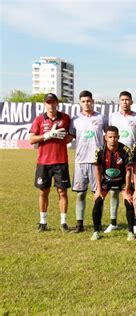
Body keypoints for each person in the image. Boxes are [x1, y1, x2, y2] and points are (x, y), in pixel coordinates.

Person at [29, 93, 72, 232]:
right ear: (44, 104)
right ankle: (43, 222)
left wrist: (66, 139)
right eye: (48, 102)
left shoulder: (65, 118)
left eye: (53, 102)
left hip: (61, 161)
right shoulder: (39, 119)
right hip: (43, 162)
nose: (51, 105)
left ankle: (63, 223)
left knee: (62, 192)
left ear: (57, 103)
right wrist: (46, 136)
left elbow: (71, 135)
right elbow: (31, 139)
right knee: (43, 192)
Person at [106, 91, 136, 233]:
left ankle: (135, 223)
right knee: (114, 192)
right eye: (122, 100)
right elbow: (108, 135)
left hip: (132, 158)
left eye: (127, 100)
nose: (125, 102)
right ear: (119, 101)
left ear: (131, 102)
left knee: (131, 189)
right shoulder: (112, 117)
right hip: (115, 159)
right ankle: (113, 222)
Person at [69, 90, 108, 233]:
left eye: (88, 101)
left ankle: (98, 223)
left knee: (99, 194)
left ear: (93, 101)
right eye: (83, 101)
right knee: (80, 194)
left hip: (97, 162)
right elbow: (70, 137)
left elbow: (108, 135)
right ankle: (79, 224)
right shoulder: (75, 119)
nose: (86, 103)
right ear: (80, 102)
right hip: (80, 161)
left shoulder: (101, 117)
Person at [90, 126, 134, 241]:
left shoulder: (125, 150)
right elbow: (98, 171)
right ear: (105, 138)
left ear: (118, 137)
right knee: (97, 201)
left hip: (122, 180)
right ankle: (96, 231)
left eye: (115, 137)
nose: (113, 139)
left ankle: (130, 231)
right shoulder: (100, 150)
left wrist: (128, 190)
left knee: (129, 202)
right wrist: (98, 189)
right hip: (107, 180)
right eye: (110, 137)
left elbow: (129, 172)